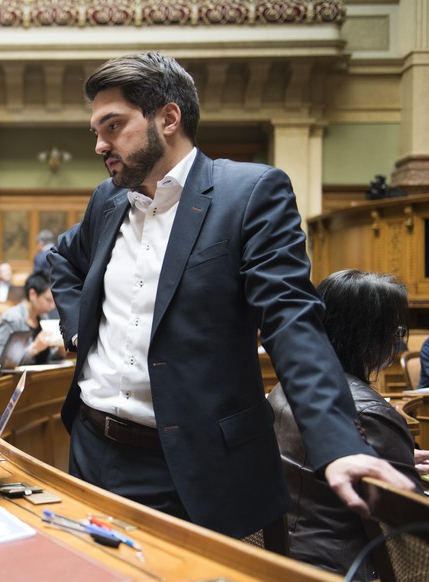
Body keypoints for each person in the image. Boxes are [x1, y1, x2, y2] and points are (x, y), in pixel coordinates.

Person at [48, 51, 414, 540]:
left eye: (113, 126)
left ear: (168, 117)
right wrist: (78, 329)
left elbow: (291, 319)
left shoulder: (250, 193)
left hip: (192, 464)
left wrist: (339, 441)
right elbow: (62, 260)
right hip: (92, 448)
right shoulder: (107, 200)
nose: (99, 144)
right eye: (96, 130)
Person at [269, 269, 421, 580]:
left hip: (288, 553)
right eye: (395, 331)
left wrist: (398, 456)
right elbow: (413, 523)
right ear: (371, 335)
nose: (397, 341)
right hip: (344, 567)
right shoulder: (372, 412)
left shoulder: (286, 388)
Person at [0, 270, 63, 365]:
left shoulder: (43, 317)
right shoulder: (11, 318)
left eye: (54, 301)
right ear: (32, 294)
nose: (52, 306)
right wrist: (34, 348)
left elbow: (41, 359)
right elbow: (2, 362)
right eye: (48, 300)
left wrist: (59, 352)